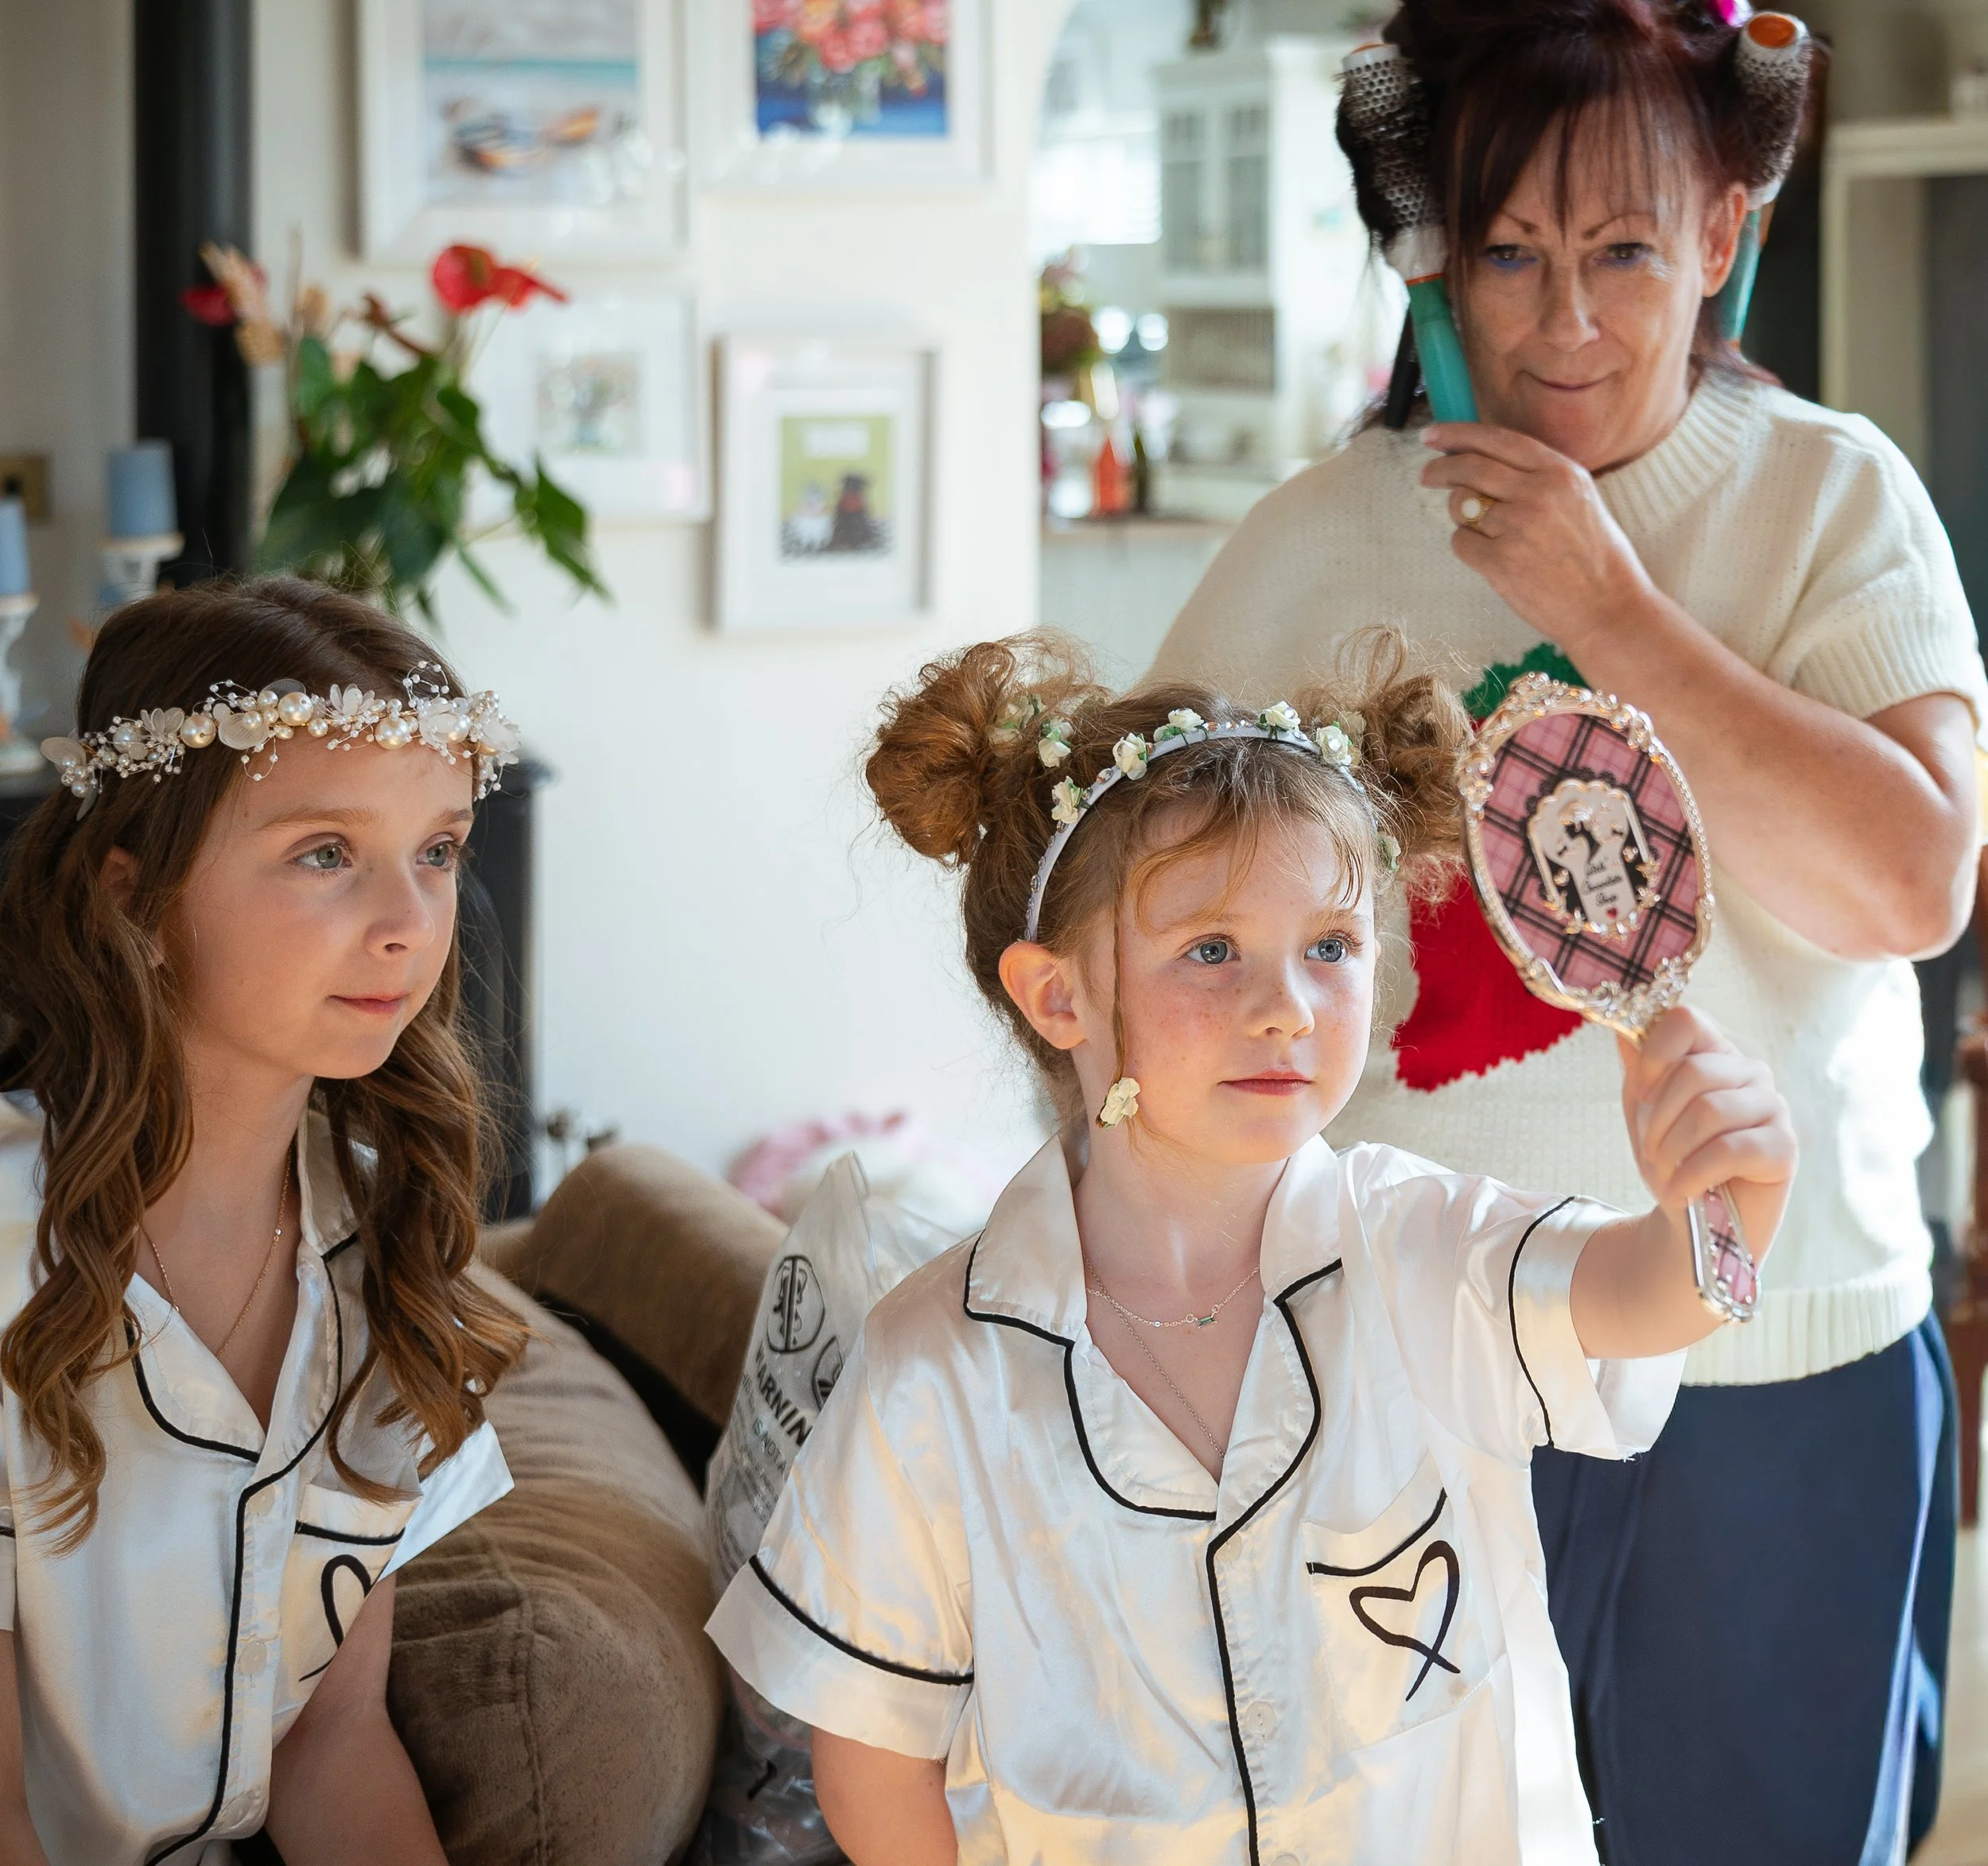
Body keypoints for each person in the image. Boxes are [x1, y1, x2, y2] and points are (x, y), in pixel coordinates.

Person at [1150, 3, 1988, 1859]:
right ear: (1434, 242)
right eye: (1505, 251)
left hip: (1776, 1364)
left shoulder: (1832, 500)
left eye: (1620, 250)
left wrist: (1607, 609)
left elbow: (1911, 883)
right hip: (1408, 1367)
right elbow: (1140, 940)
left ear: (1724, 226)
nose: (1561, 323)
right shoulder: (1308, 541)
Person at [705, 633, 1796, 1864]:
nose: (1288, 1004)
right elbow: (873, 1759)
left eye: (1330, 946)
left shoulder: (1420, 1244)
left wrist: (1733, 1202)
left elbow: (1644, 1296)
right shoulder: (929, 1370)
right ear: (1057, 996)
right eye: (1212, 951)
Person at [0, 579, 530, 1864]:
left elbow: (331, 1742)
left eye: (439, 849)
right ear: (137, 893)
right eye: (325, 854)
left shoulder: (393, 1241)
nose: (408, 925)